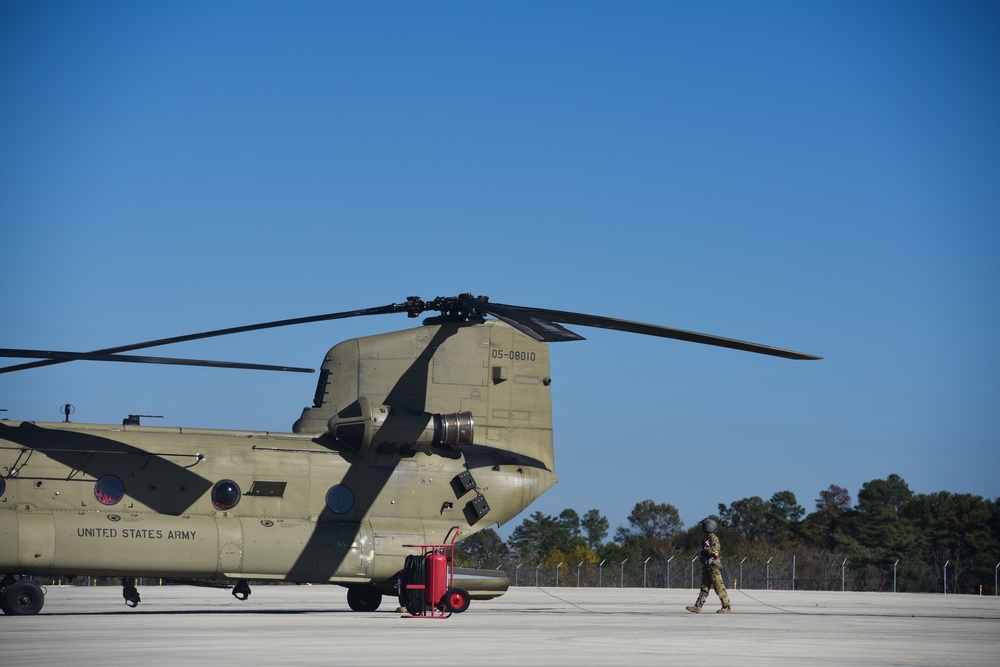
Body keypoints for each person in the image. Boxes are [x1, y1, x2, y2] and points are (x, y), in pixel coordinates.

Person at [686, 517, 732, 613]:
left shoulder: (713, 538)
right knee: (704, 587)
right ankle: (698, 606)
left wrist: (706, 550)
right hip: (708, 566)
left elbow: (715, 550)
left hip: (713, 566)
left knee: (718, 586)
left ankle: (726, 606)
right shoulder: (707, 539)